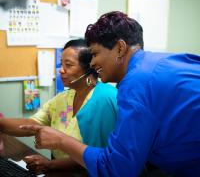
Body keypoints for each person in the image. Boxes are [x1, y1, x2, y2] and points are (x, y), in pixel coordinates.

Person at [21, 11, 200, 177]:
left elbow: (117, 168)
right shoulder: (166, 61)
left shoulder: (136, 83)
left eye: (95, 54)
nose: (91, 63)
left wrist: (60, 140)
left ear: (120, 48)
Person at [0, 38, 118, 175]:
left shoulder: (105, 98)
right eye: (61, 64)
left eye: (68, 65)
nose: (61, 70)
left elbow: (101, 156)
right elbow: (31, 124)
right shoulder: (63, 98)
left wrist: (50, 165)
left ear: (89, 67)